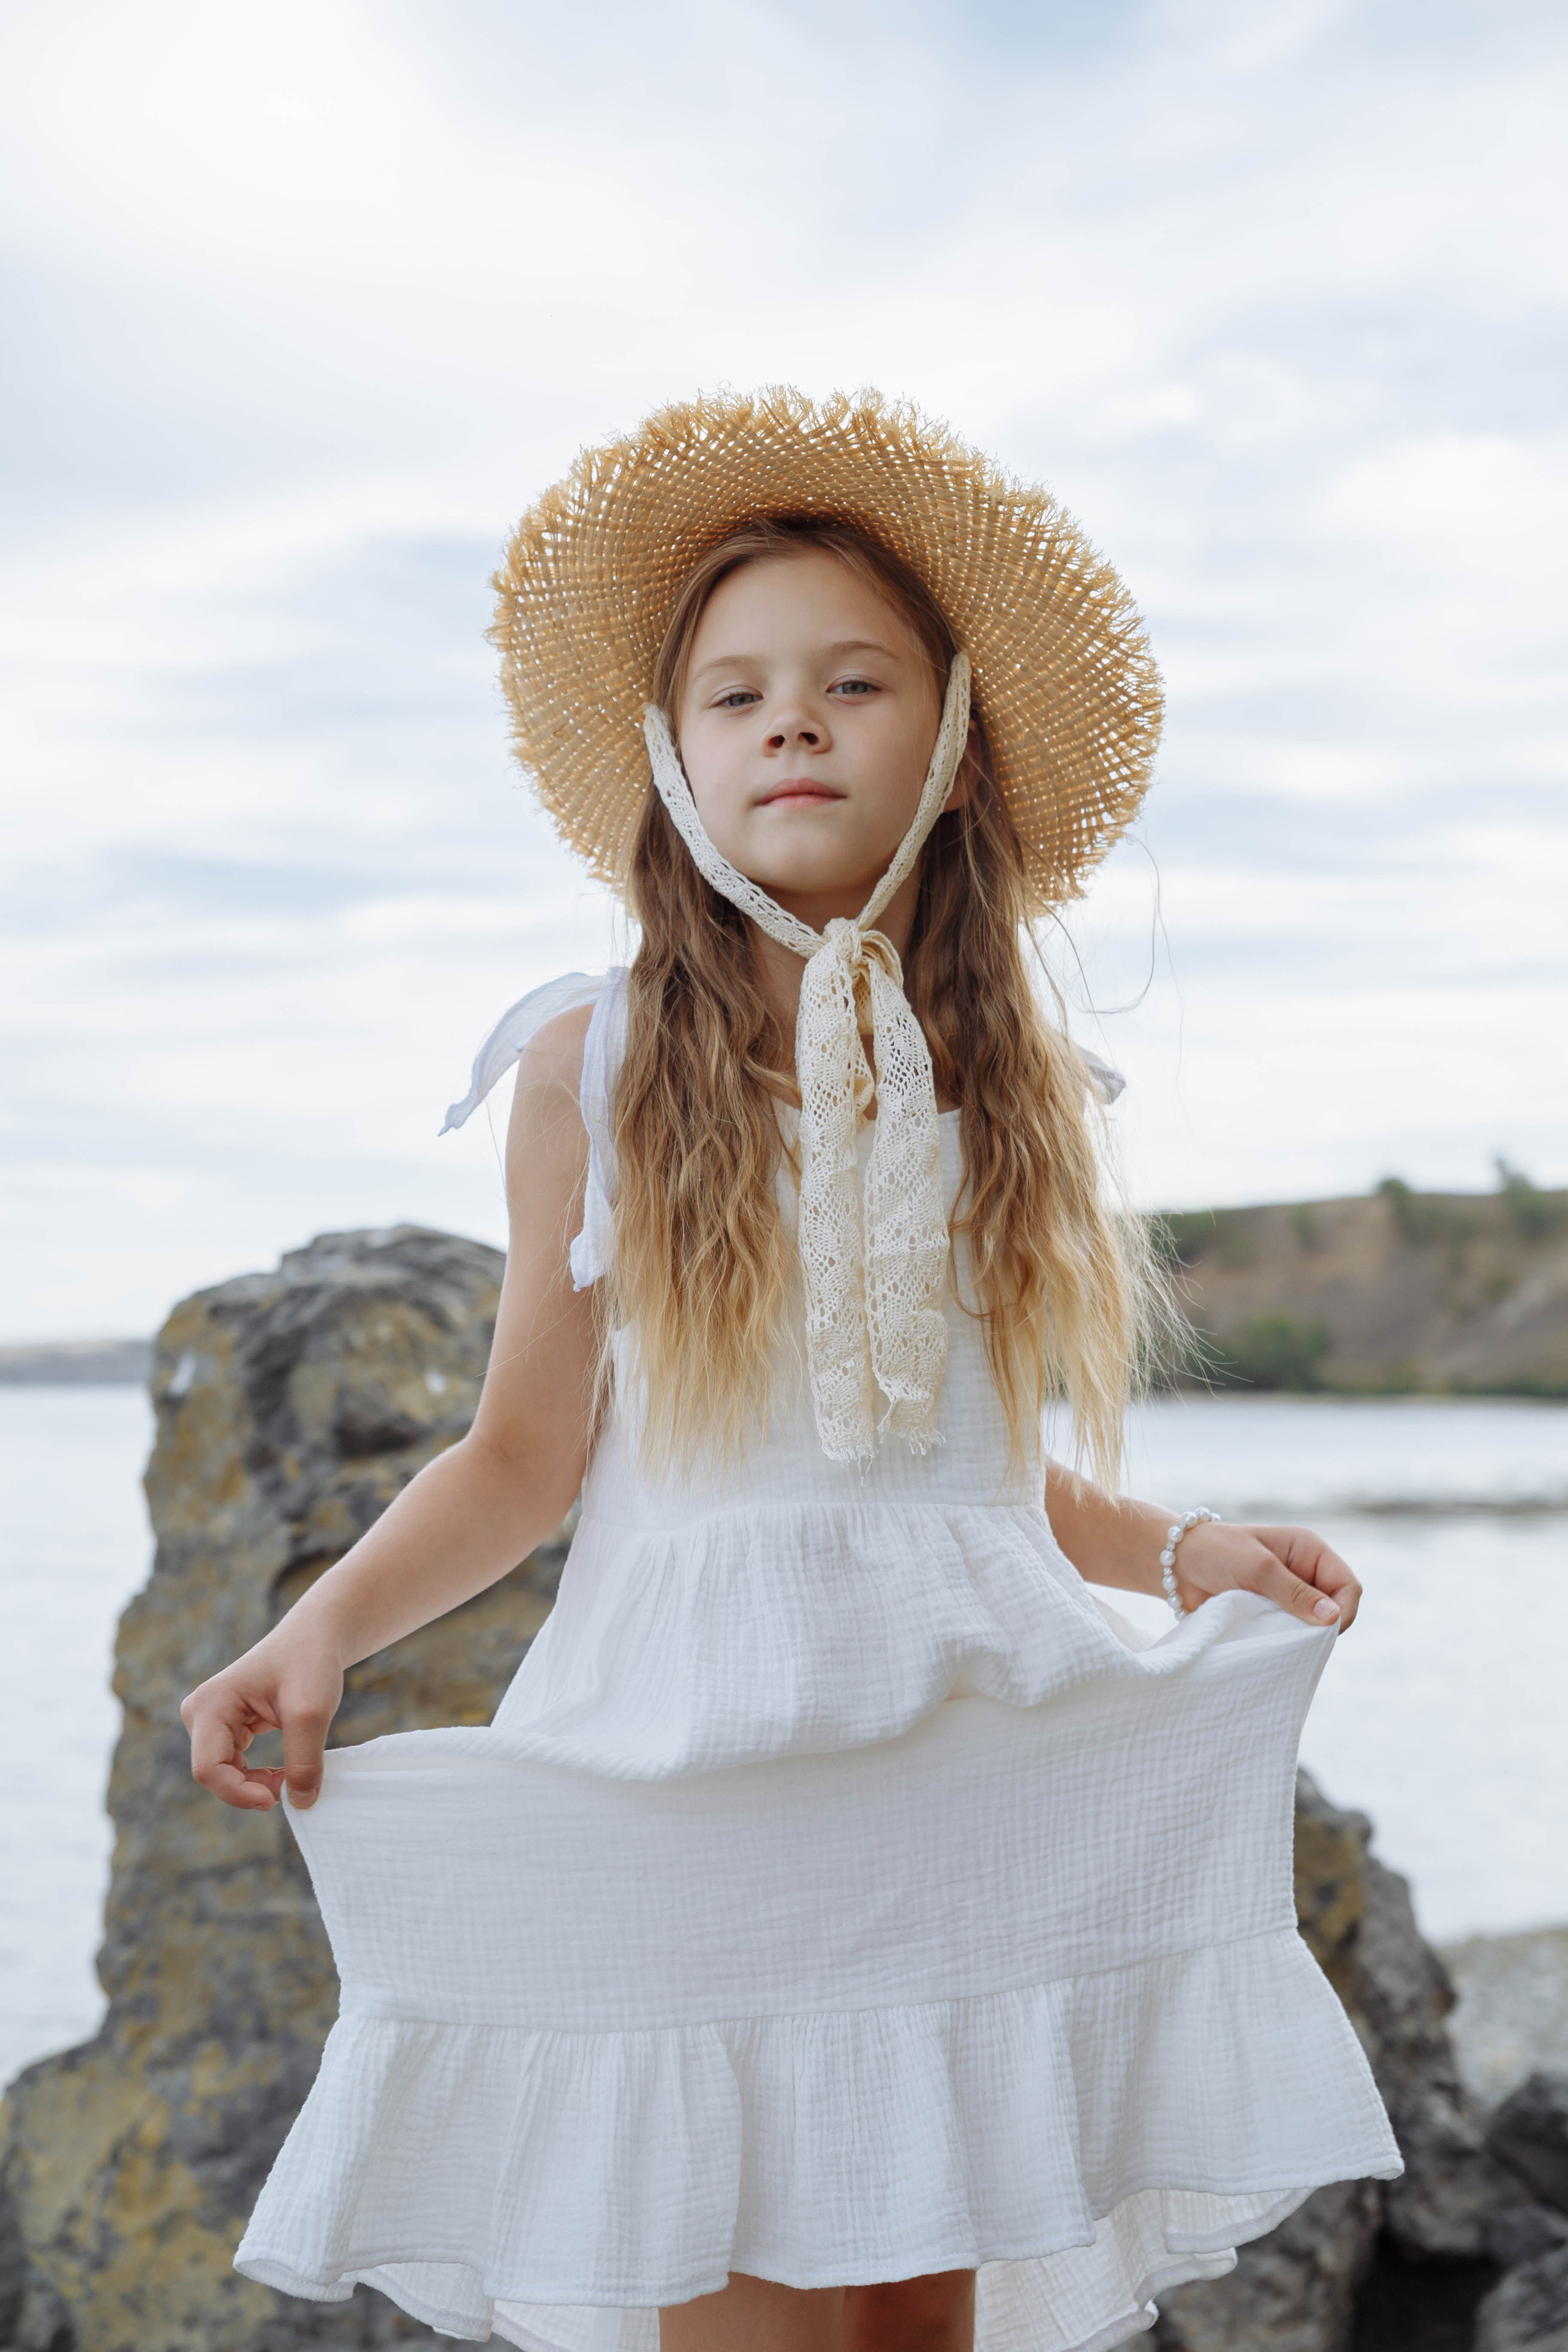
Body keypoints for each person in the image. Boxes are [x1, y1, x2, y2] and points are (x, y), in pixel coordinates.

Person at [183, 390, 1400, 2352]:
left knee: (917, 2313)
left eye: (854, 681)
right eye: (737, 696)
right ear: (675, 755)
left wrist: (1187, 1552)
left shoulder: (1019, 1091)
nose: (795, 723)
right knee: (734, 2289)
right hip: (702, 1772)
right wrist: (316, 1634)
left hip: (960, 1774)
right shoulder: (594, 1068)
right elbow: (521, 1457)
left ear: (950, 740)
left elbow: (970, 1474)